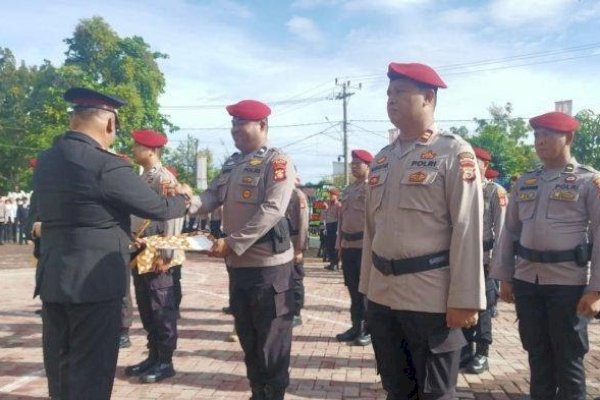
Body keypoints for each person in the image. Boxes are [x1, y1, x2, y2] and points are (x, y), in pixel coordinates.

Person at [33, 87, 189, 400]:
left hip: (54, 280)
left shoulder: (47, 161)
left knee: (60, 366)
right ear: (108, 125)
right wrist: (184, 199)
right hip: (95, 284)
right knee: (91, 372)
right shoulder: (106, 164)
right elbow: (157, 207)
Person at [360, 62, 485, 400]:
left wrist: (466, 299)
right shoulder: (382, 159)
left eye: (400, 91)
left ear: (428, 97)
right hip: (384, 297)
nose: (390, 99)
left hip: (430, 298)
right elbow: (373, 230)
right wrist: (367, 289)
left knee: (434, 394)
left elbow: (467, 227)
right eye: (388, 93)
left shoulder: (454, 152)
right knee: (396, 390)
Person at [189, 99, 296, 400]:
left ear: (262, 125)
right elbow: (210, 197)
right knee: (248, 336)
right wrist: (187, 202)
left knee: (271, 340)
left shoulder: (277, 162)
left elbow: (273, 209)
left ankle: (273, 394)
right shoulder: (231, 163)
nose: (234, 129)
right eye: (233, 123)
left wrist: (232, 242)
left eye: (241, 123)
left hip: (269, 267)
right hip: (238, 266)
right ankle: (257, 391)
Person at [491, 111, 600, 400]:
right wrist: (504, 277)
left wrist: (596, 289)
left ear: (569, 137)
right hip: (528, 281)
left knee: (569, 359)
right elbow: (509, 232)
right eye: (537, 135)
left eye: (548, 135)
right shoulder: (525, 181)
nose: (540, 141)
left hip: (568, 284)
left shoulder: (589, 181)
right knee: (537, 355)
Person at [124, 129, 185, 383]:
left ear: (151, 150)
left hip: (159, 252)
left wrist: (166, 253)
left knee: (162, 308)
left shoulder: (164, 179)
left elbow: (173, 216)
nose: (133, 149)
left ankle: (165, 361)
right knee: (147, 306)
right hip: (141, 249)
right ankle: (154, 355)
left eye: (137, 146)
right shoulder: (143, 177)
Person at [460, 147, 507, 374]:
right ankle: (465, 349)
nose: (469, 166)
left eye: (475, 162)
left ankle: (482, 352)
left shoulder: (494, 192)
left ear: (485, 166)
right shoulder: (461, 190)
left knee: (485, 306)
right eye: (467, 162)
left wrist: (497, 264)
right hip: (462, 258)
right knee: (464, 301)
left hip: (484, 258)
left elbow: (502, 231)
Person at [335, 149, 373, 346]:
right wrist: (339, 244)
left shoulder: (372, 188)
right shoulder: (348, 189)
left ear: (368, 166)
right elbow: (342, 219)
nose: (354, 167)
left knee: (365, 289)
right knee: (352, 289)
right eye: (352, 164)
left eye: (358, 164)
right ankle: (355, 326)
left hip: (364, 246)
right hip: (348, 245)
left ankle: (367, 329)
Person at [285, 174, 309, 327]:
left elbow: (303, 223)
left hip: (294, 242)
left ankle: (296, 312)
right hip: (282, 242)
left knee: (295, 278)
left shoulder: (297, 195)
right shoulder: (280, 193)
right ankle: (286, 309)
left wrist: (299, 248)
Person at [324, 188, 341, 270]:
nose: (330, 196)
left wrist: (338, 229)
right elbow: (326, 216)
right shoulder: (328, 204)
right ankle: (331, 262)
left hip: (335, 225)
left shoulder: (338, 205)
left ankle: (335, 263)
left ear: (336, 195)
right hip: (329, 225)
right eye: (329, 194)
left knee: (335, 245)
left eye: (331, 194)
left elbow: (339, 218)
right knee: (329, 245)